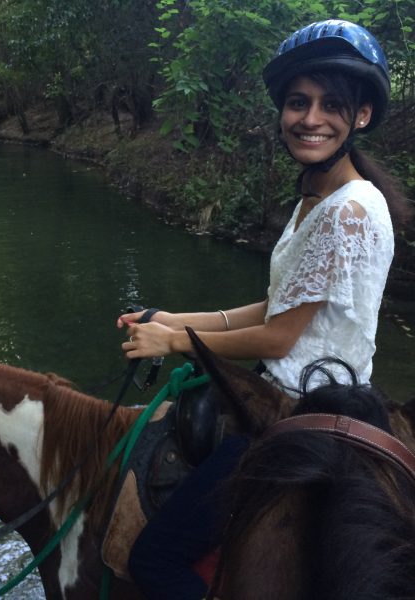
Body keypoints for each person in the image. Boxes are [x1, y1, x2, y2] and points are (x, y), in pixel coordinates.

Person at [119, 19, 412, 600]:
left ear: (362, 117)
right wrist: (175, 319)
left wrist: (175, 344)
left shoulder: (347, 211)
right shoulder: (320, 199)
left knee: (153, 561)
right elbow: (280, 306)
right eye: (299, 102)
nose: (311, 117)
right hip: (319, 392)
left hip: (300, 408)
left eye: (332, 104)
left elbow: (280, 338)